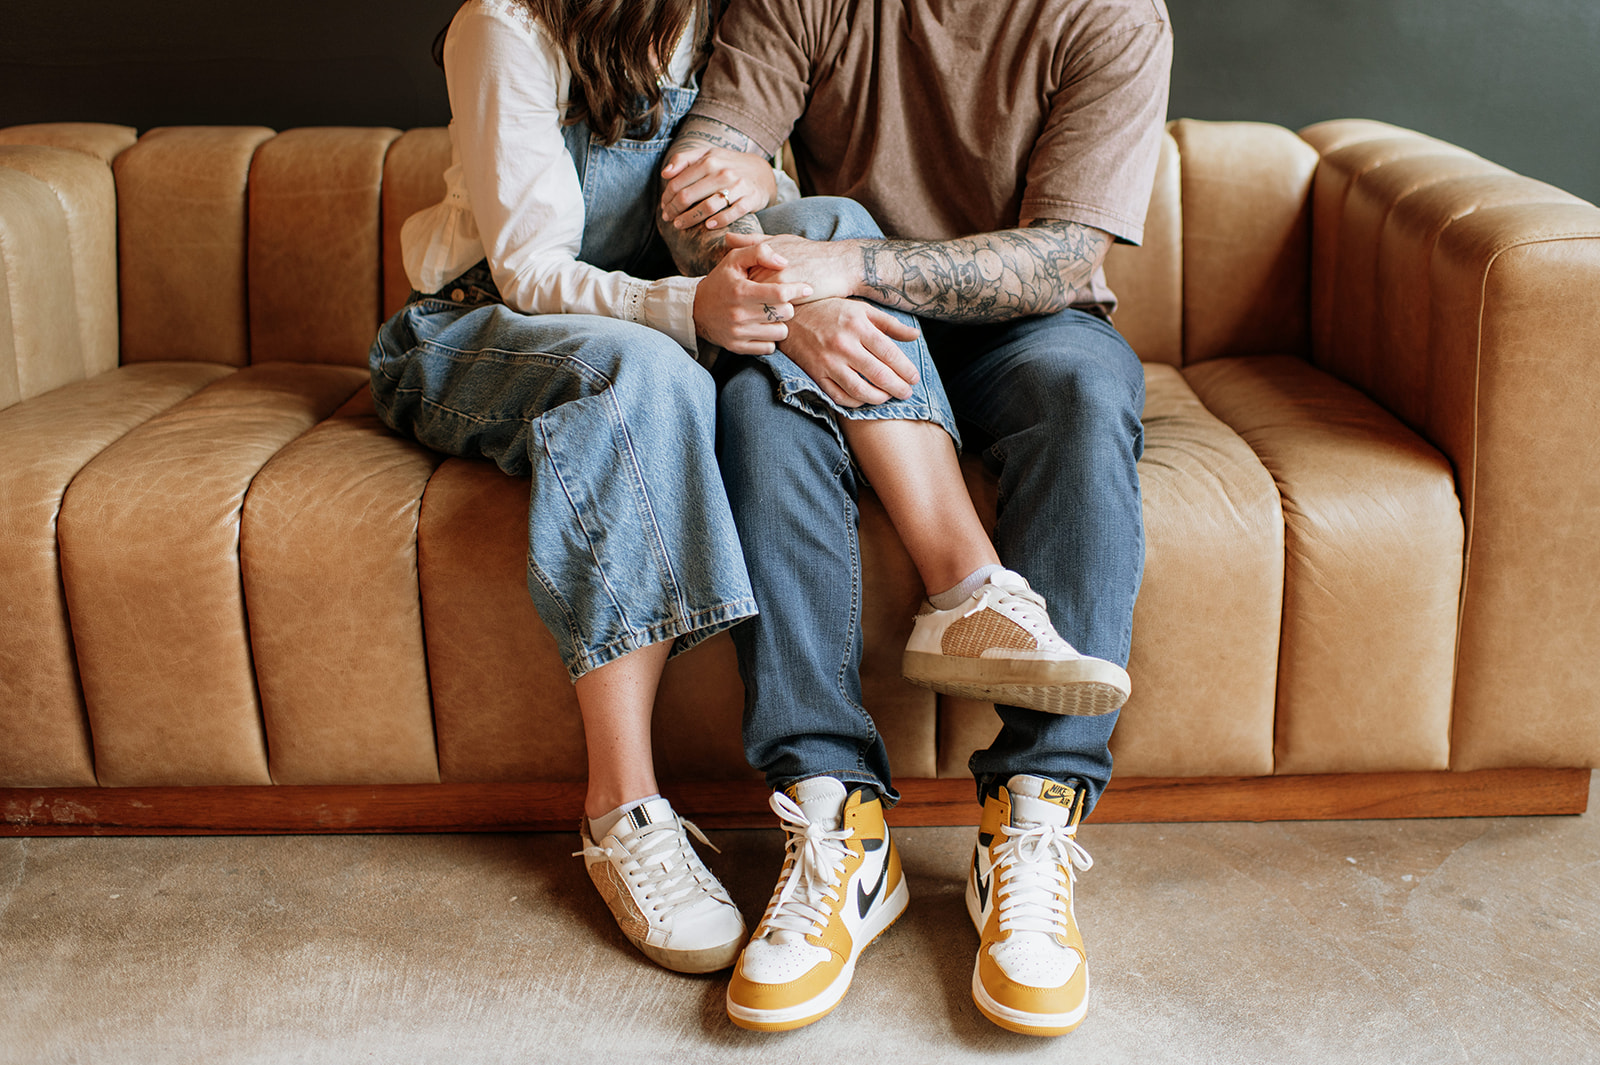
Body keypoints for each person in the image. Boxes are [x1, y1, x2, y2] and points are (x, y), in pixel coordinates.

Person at [655, 0, 1172, 1035]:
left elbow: (1063, 260)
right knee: (756, 401)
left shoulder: (1111, 15)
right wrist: (780, 275)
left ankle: (1032, 814)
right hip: (843, 320)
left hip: (1025, 333)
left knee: (1083, 396)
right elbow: (693, 189)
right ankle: (835, 819)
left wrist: (847, 264)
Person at [367, 0, 817, 975]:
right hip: (471, 332)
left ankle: (829, 795)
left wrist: (762, 176)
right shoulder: (503, 25)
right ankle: (623, 811)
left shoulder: (737, 21)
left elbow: (772, 201)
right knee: (651, 374)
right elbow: (527, 271)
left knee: (721, 363)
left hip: (653, 322)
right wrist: (684, 306)